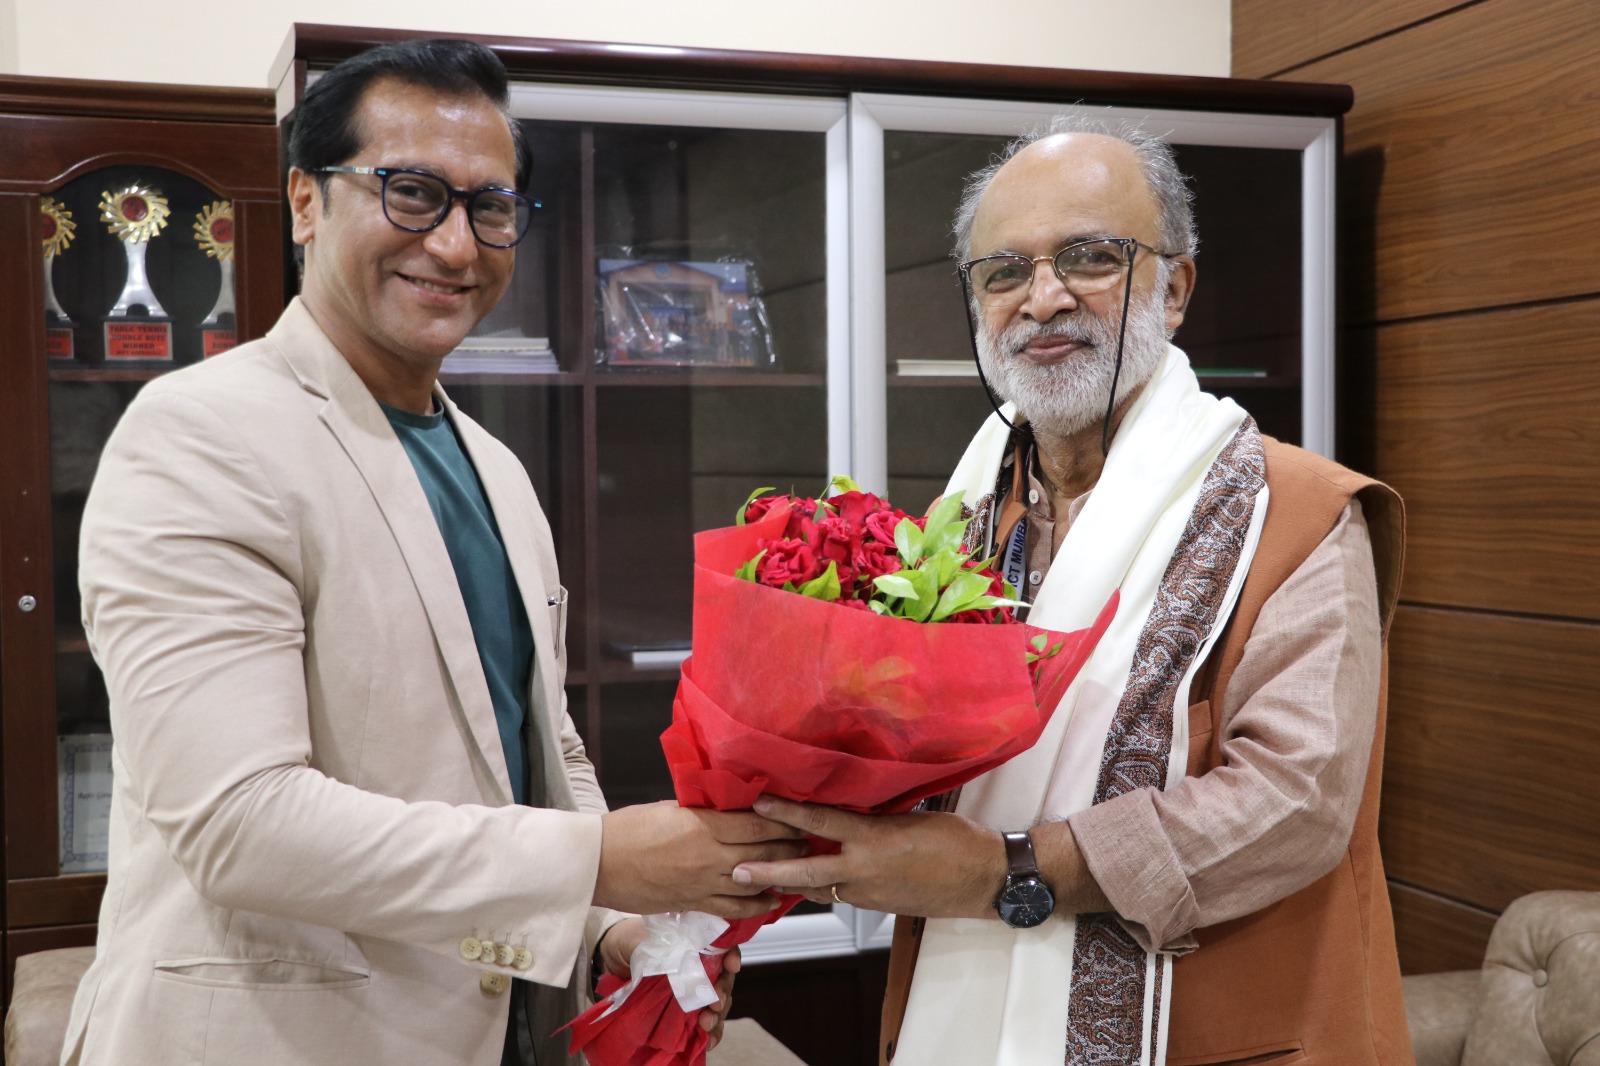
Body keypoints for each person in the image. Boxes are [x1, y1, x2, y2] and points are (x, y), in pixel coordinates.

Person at [61, 39, 802, 1066]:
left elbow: (537, 749)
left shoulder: (496, 466)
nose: (456, 245)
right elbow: (240, 822)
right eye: (411, 193)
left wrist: (611, 929)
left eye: (490, 206)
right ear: (306, 201)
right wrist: (600, 860)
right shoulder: (200, 435)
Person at [733, 115, 1413, 1066]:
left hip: (1209, 1024)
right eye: (1004, 272)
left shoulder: (1299, 513)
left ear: (1174, 288)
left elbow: (1292, 804)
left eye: (1091, 258)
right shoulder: (964, 519)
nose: (1043, 298)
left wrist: (1005, 869)